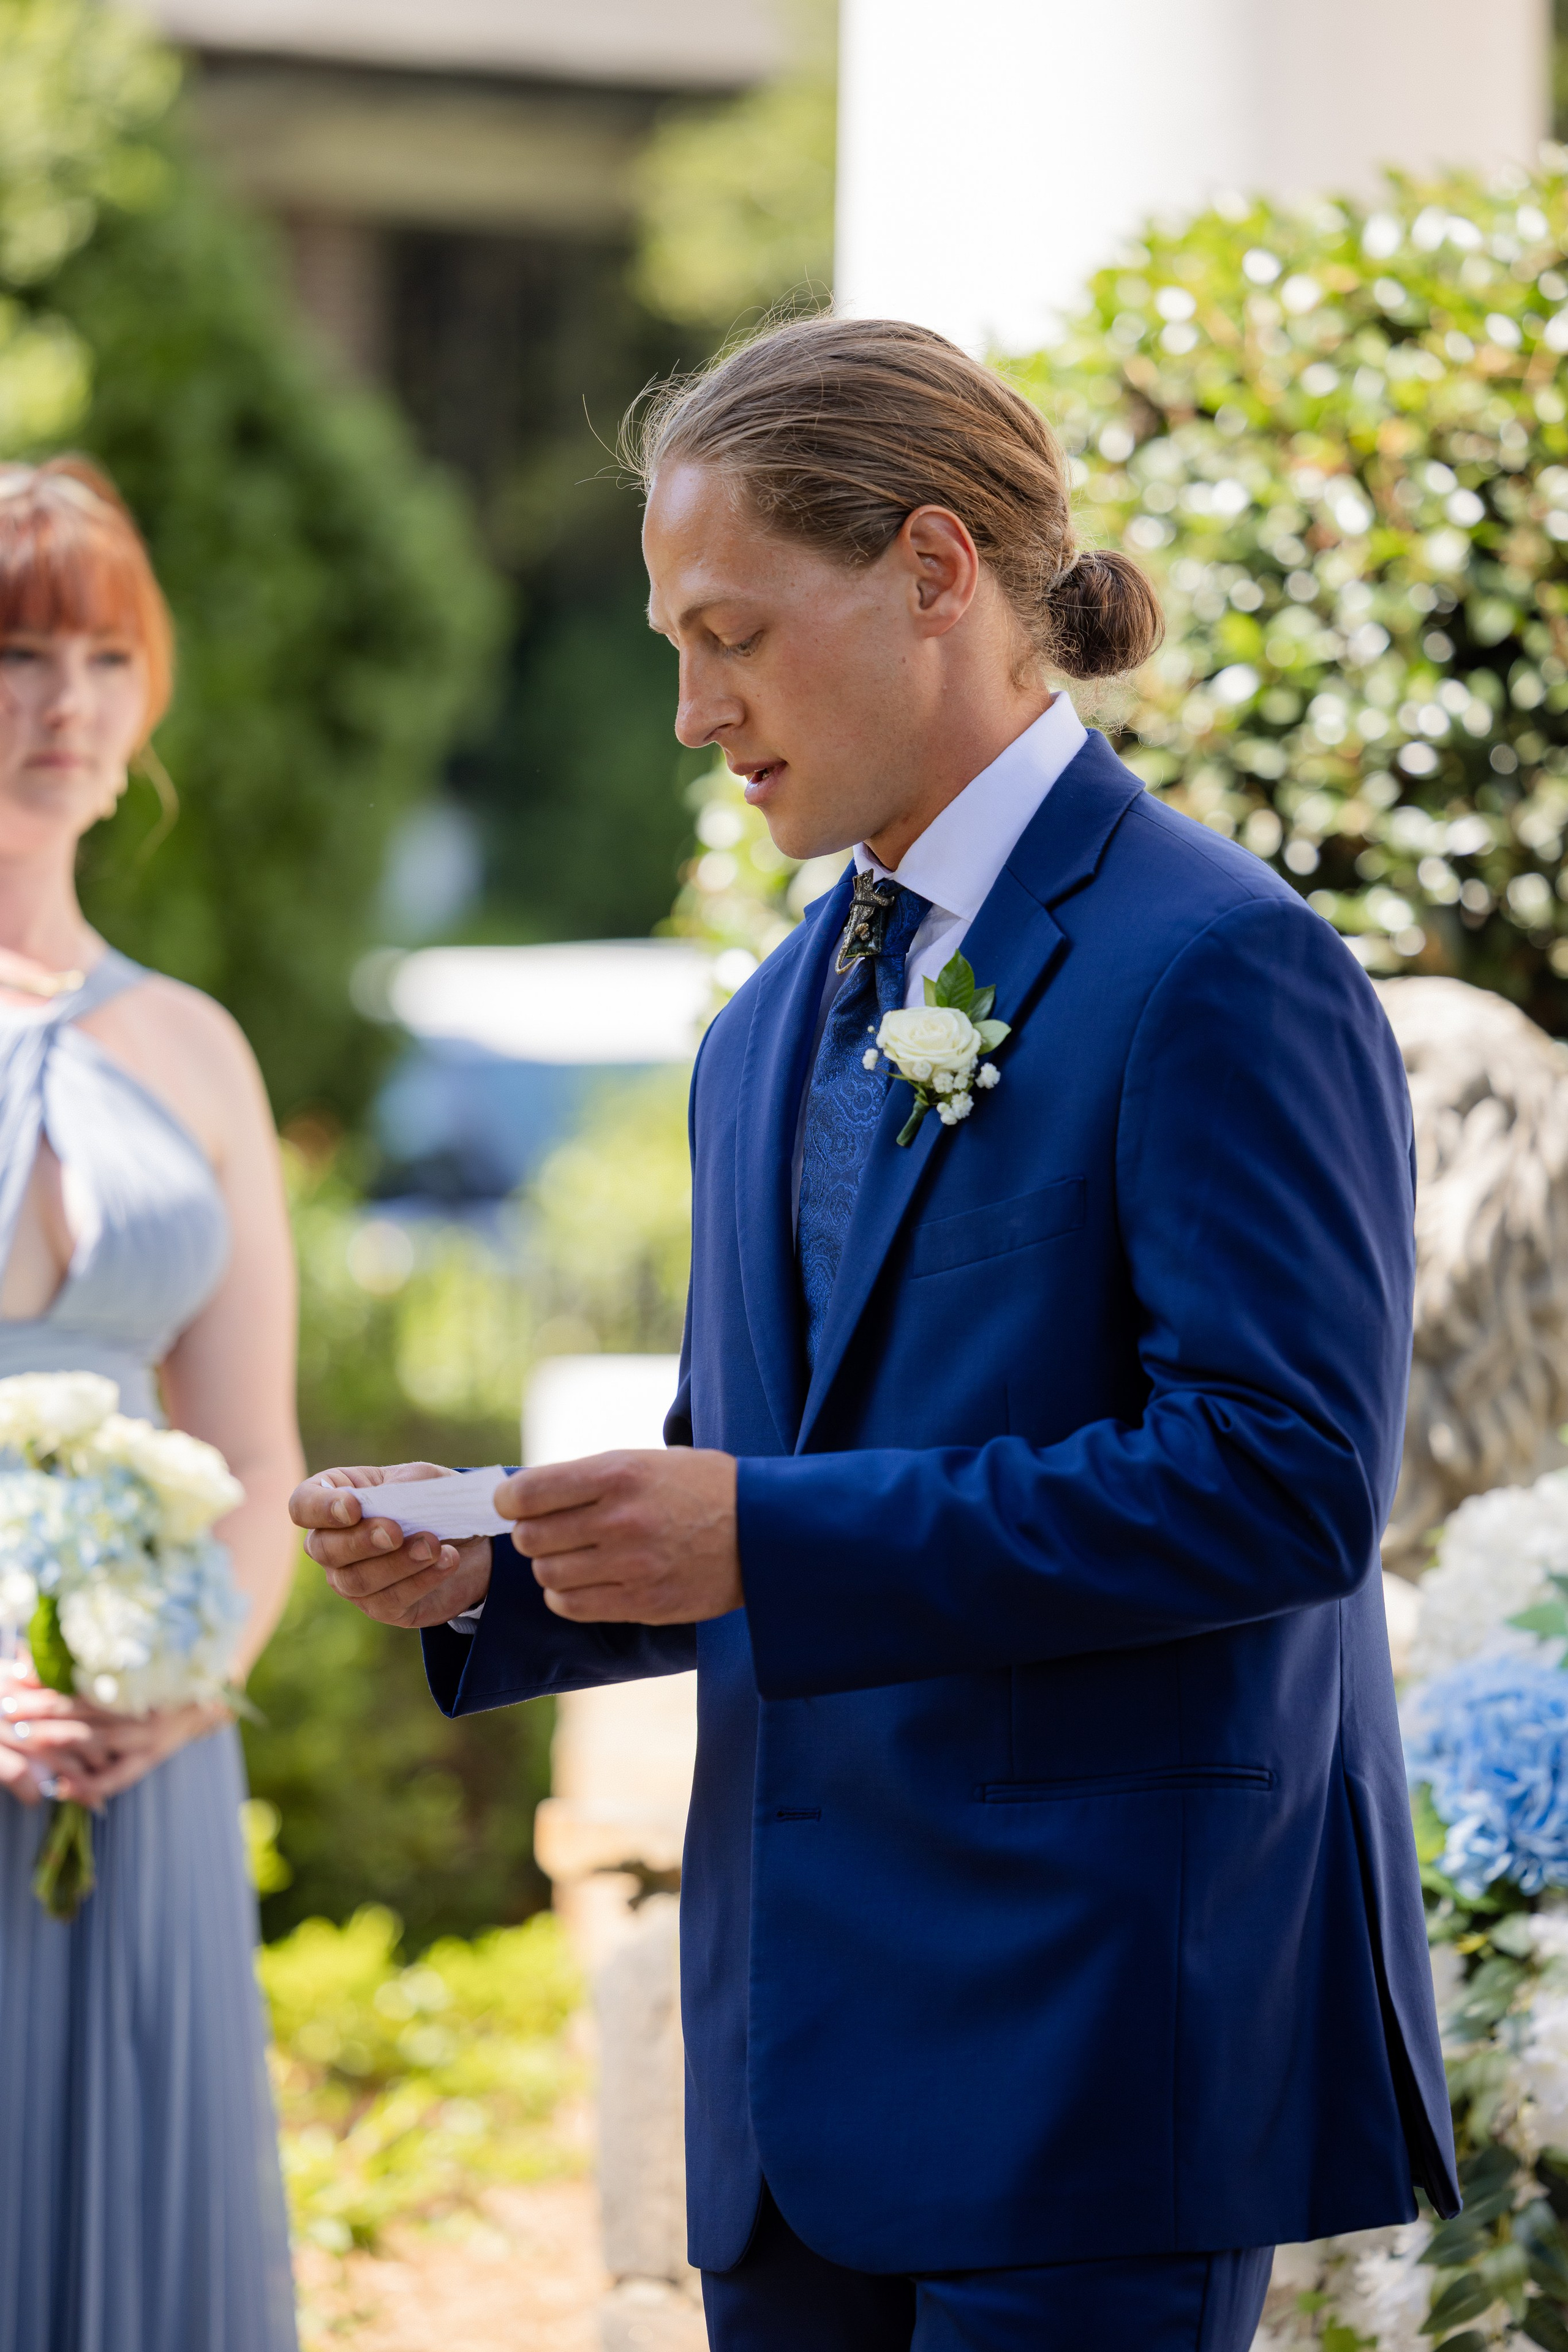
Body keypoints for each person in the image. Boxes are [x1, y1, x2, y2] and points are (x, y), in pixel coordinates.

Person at [293, 317, 1457, 2352]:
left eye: (731, 634)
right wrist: (503, 1562)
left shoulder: (1220, 965)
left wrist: (758, 1533)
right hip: (788, 2090)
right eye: (676, 646)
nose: (692, 712)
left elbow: (1283, 1483)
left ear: (933, 570)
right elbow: (756, 1484)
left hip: (1094, 2067)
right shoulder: (758, 1034)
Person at [0, 459, 301, 2352]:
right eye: (17, 653)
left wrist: (196, 1682)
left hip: (148, 1767)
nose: (69, 701)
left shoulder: (194, 1045)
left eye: (108, 656)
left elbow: (259, 1450)